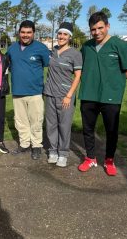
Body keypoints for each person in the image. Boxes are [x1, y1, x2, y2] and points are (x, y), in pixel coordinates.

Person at [78, 11, 127, 176]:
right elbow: (80, 68)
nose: (97, 32)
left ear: (107, 26)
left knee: (111, 130)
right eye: (93, 29)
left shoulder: (119, 45)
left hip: (110, 96)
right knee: (88, 129)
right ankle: (90, 158)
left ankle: (109, 160)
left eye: (100, 28)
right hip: (89, 94)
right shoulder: (87, 46)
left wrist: (116, 80)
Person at [6, 20, 50, 160]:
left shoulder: (41, 48)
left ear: (33, 33)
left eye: (29, 32)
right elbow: (6, 65)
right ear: (19, 33)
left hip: (35, 92)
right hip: (17, 91)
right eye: (23, 32)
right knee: (20, 121)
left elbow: (49, 66)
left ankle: (36, 145)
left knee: (36, 120)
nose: (26, 35)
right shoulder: (12, 48)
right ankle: (24, 144)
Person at [43, 22, 82, 167]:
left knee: (64, 125)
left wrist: (69, 95)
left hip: (65, 96)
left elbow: (78, 76)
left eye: (65, 34)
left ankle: (63, 153)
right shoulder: (53, 51)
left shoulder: (75, 54)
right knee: (51, 124)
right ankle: (53, 151)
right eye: (60, 33)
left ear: (70, 37)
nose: (61, 36)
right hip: (50, 94)